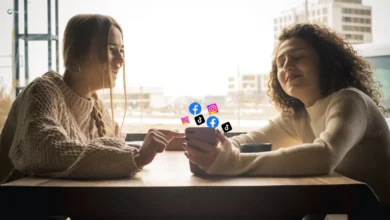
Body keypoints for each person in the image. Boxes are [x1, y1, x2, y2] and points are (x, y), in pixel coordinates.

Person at [183, 23, 390, 216]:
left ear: (326, 62)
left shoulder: (350, 99)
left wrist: (231, 162)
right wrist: (210, 146)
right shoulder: (299, 115)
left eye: (298, 57)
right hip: (340, 208)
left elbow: (324, 154)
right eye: (280, 63)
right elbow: (251, 140)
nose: (287, 66)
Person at [0, 14, 183, 184]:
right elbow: (46, 151)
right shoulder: (42, 92)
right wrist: (137, 157)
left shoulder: (96, 107)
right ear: (75, 58)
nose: (121, 60)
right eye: (111, 50)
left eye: (121, 50)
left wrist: (156, 145)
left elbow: (112, 147)